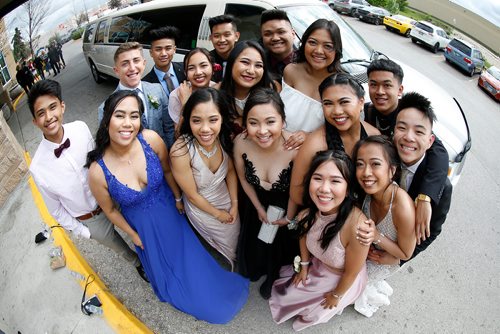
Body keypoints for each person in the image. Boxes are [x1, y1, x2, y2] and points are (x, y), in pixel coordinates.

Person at [87, 89, 249, 324]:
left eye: (134, 116)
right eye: (119, 115)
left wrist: (177, 198)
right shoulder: (97, 172)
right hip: (144, 230)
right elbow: (110, 211)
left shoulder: (151, 139)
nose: (127, 123)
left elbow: (167, 171)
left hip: (172, 214)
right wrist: (134, 235)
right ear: (107, 120)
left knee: (191, 261)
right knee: (168, 276)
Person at [28, 80, 147, 282]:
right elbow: (55, 210)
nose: (49, 117)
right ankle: (139, 265)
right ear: (35, 121)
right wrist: (83, 231)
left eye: (52, 107)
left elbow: (100, 160)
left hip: (112, 197)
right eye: (41, 113)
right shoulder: (38, 168)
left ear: (62, 106)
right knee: (121, 248)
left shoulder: (80, 128)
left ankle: (151, 258)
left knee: (139, 231)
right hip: (90, 218)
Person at [269, 150, 369, 331]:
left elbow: (351, 274)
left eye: (335, 181)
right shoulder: (308, 213)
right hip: (318, 265)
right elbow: (303, 236)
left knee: (315, 312)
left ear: (348, 189)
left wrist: (337, 296)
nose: (324, 188)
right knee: (287, 294)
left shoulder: (357, 228)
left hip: (342, 278)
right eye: (318, 178)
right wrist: (305, 266)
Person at [363, 59, 449, 253]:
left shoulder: (409, 114)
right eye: (373, 84)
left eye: (387, 85)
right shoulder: (367, 111)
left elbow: (439, 152)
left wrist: (426, 197)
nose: (380, 92)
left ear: (399, 90)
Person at [233, 88, 299, 299]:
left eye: (270, 122)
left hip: (288, 210)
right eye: (254, 123)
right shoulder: (240, 143)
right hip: (256, 208)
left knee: (282, 251)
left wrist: (289, 217)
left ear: (283, 120)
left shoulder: (296, 149)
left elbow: (298, 190)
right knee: (256, 246)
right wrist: (259, 208)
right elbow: (243, 179)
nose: (262, 131)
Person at [170, 88, 240, 270]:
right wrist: (218, 214)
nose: (205, 129)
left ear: (222, 118)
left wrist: (234, 203)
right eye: (196, 121)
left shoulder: (223, 137)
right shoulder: (181, 151)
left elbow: (231, 171)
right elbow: (192, 195)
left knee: (237, 236)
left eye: (213, 120)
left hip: (226, 198)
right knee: (225, 245)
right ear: (188, 120)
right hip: (203, 208)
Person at [290, 73, 379, 206]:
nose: (337, 111)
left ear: (361, 102)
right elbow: (296, 194)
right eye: (328, 103)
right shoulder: (315, 144)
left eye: (344, 102)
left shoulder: (373, 135)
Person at [351, 135, 416, 317]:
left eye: (375, 164)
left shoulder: (402, 208)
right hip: (368, 249)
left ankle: (368, 290)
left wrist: (377, 236)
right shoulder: (368, 192)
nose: (366, 172)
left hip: (386, 260)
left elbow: (405, 254)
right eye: (360, 164)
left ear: (392, 170)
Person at [384, 92, 452, 262]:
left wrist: (399, 260)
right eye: (402, 128)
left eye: (419, 131)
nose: (409, 137)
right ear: (393, 132)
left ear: (430, 141)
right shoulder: (382, 158)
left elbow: (431, 232)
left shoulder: (441, 187)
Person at [97, 42, 175, 149]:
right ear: (116, 70)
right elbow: (110, 145)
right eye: (125, 64)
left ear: (144, 63)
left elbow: (169, 127)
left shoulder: (157, 89)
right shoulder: (105, 108)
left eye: (136, 61)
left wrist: (170, 151)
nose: (132, 68)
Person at [280, 19, 343, 133]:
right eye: (312, 42)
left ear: (336, 50)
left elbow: (343, 130)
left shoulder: (342, 84)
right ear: (304, 44)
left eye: (328, 46)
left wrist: (309, 137)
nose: (318, 51)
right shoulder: (291, 71)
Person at [220, 40, 276, 137]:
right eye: (245, 62)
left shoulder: (272, 90)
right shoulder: (217, 92)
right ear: (231, 62)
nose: (251, 71)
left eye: (258, 65)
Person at [168, 48, 218, 126]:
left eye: (203, 66)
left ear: (213, 68)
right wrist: (185, 103)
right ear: (185, 73)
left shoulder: (218, 90)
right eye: (191, 68)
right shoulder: (177, 95)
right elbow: (178, 134)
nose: (198, 72)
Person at [142, 26, 186, 97]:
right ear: (151, 53)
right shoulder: (145, 83)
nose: (163, 54)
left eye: (168, 48)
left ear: (174, 50)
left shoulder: (186, 69)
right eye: (158, 49)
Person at [260, 9, 296, 82]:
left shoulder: (307, 62)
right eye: (268, 34)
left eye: (281, 32)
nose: (275, 38)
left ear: (293, 34)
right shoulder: (259, 65)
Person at [208, 15, 240, 83]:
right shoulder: (206, 60)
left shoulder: (244, 59)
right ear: (211, 38)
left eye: (227, 35)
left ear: (236, 36)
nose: (222, 40)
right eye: (216, 36)